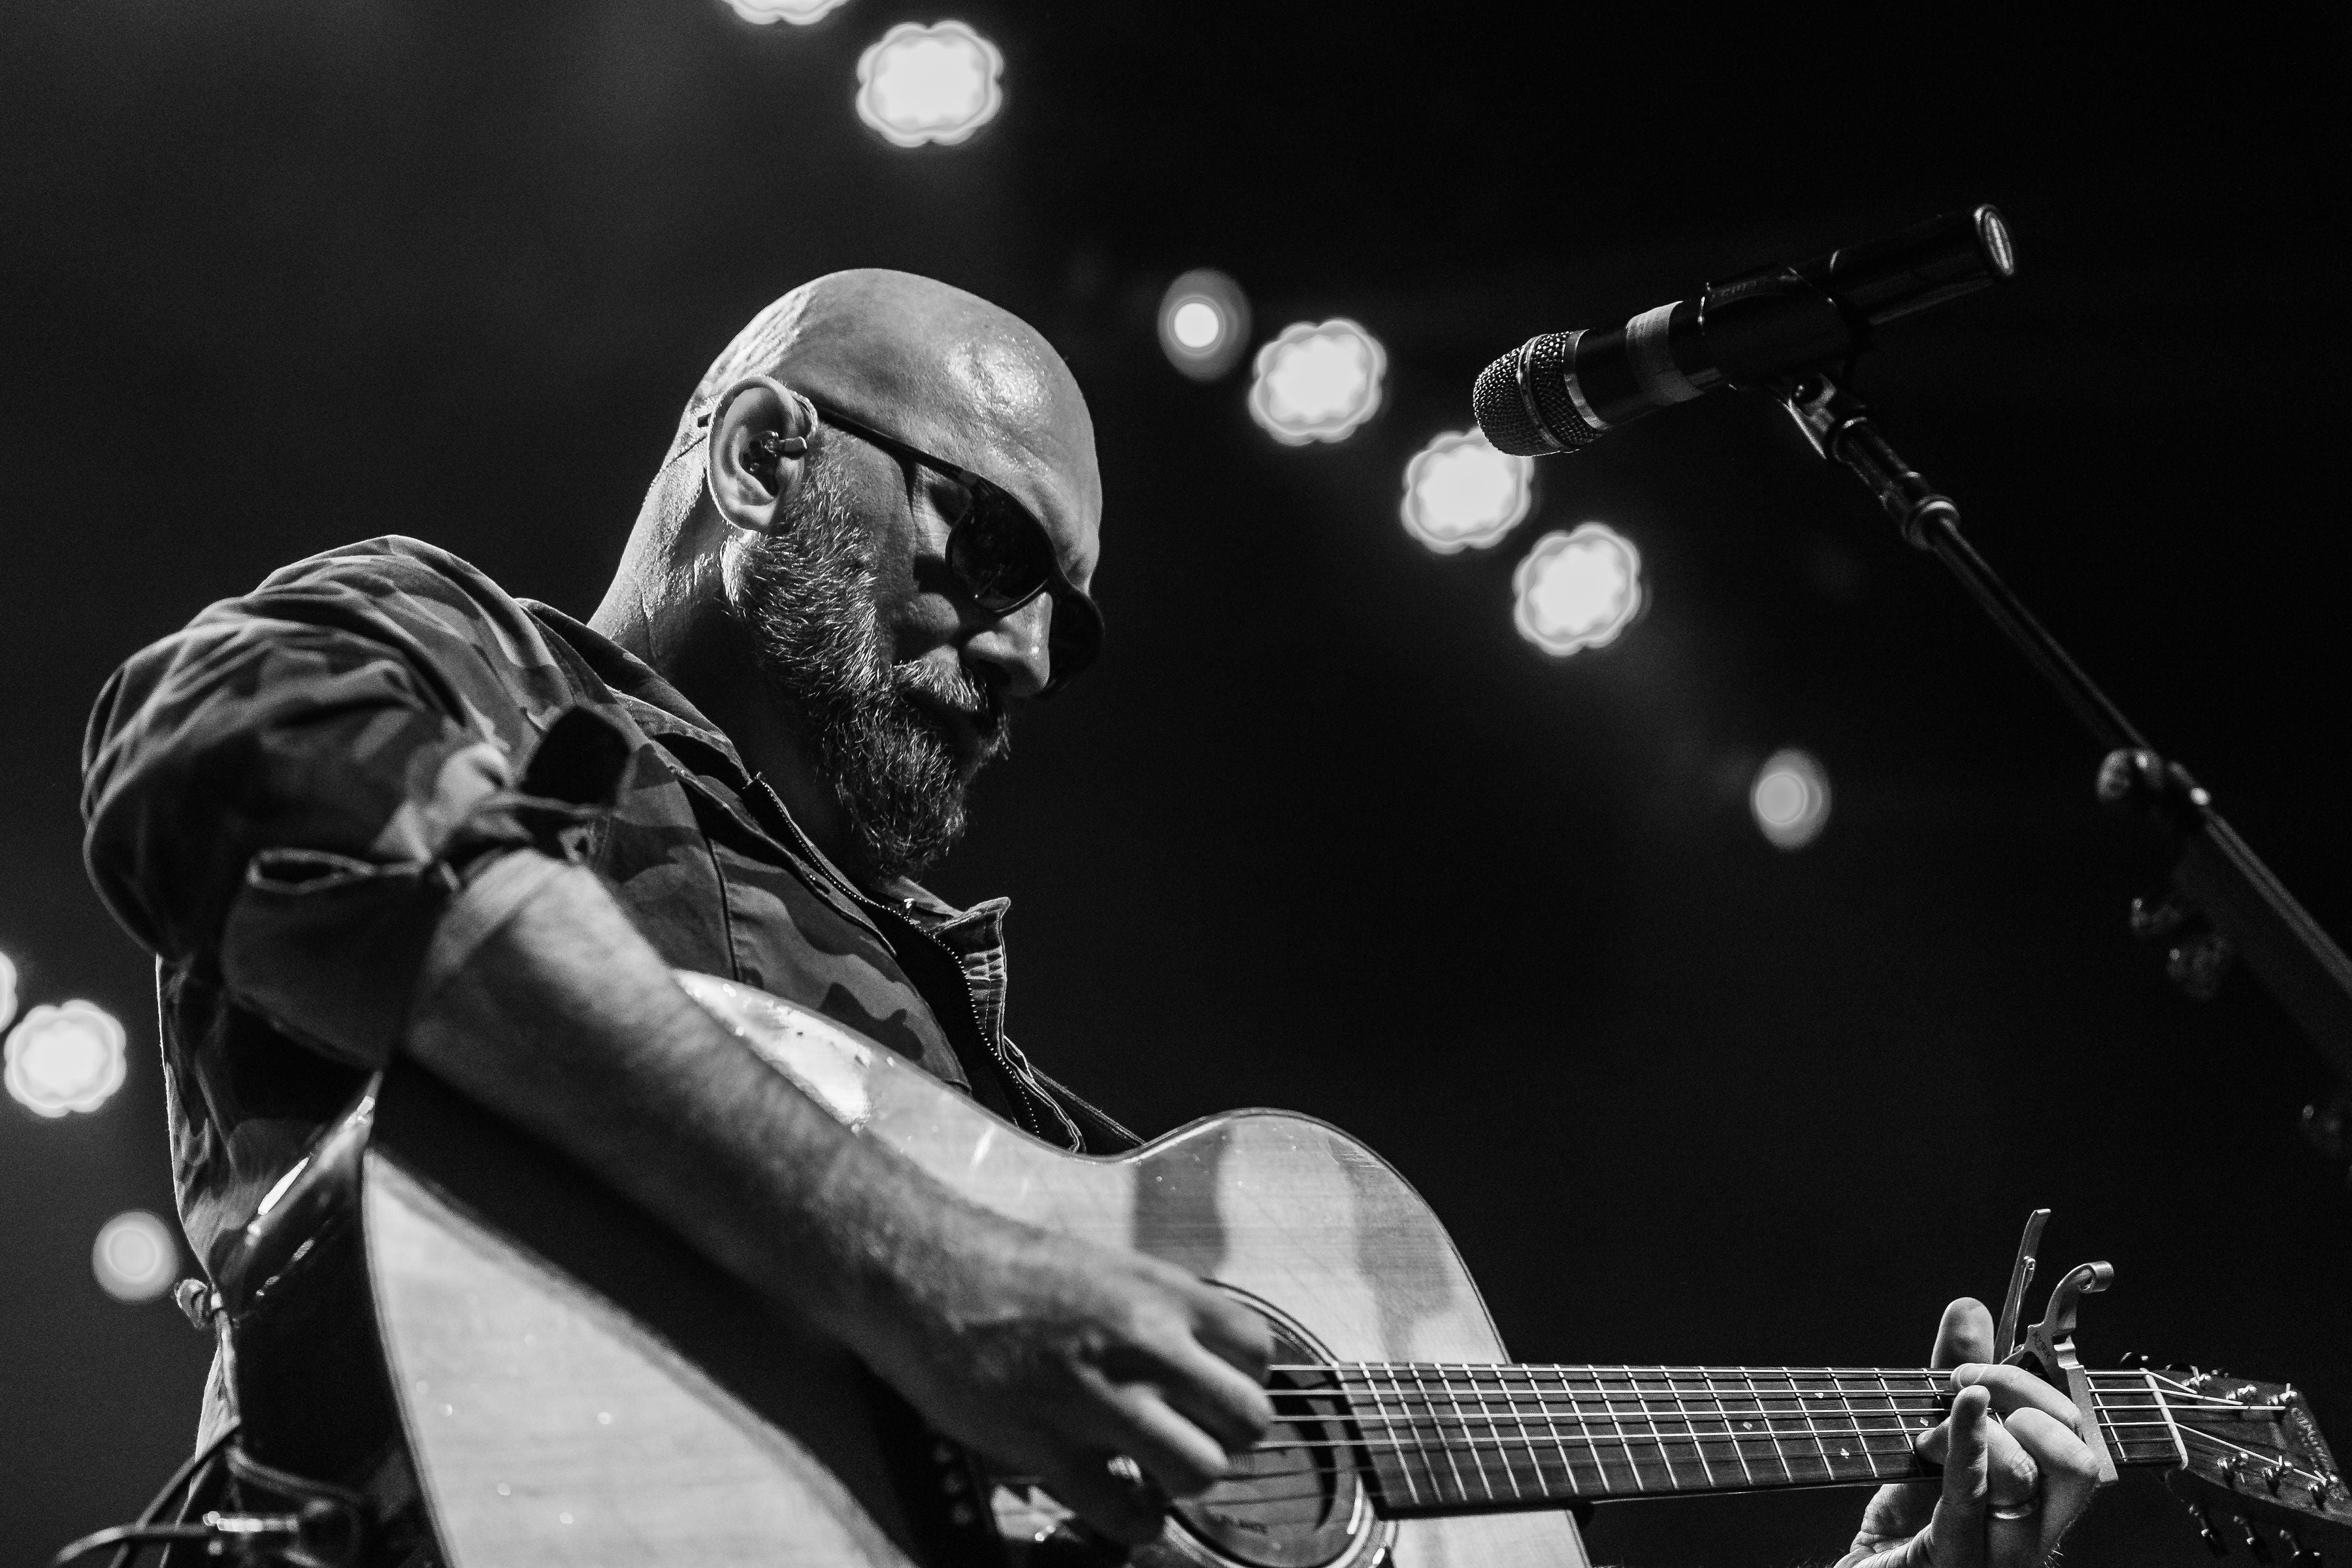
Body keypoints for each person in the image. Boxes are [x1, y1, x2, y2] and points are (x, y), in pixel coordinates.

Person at [82, 269, 2100, 1565]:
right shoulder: (457, 656)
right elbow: (250, 779)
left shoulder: (1041, 1144)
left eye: (1079, 613)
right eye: (990, 546)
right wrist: (927, 1275)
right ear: (771, 455)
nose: (1038, 652)